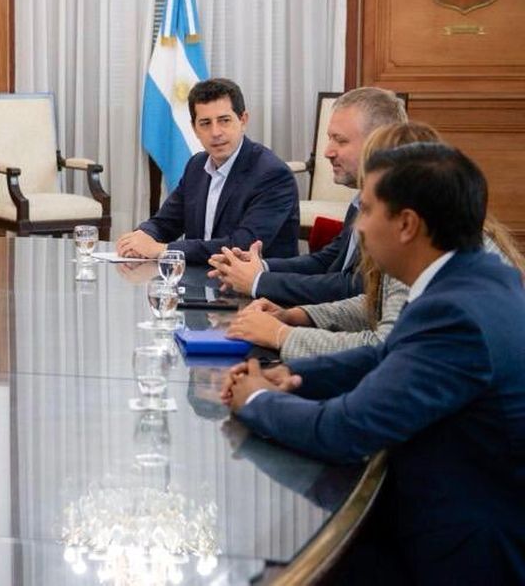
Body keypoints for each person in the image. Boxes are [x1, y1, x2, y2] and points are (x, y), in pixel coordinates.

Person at [222, 143, 525, 584]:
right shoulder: (480, 277)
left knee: (268, 566)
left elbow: (345, 430)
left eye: (365, 211)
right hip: (438, 512)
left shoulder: (456, 314)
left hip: (460, 551)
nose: (358, 228)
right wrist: (287, 374)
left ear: (406, 224)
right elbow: (386, 356)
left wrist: (257, 400)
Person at [226, 122, 525, 358]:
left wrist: (281, 337)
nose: (362, 221)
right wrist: (298, 315)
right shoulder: (429, 237)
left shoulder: (431, 250)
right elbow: (373, 304)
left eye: (368, 206)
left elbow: (384, 350)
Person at [208, 86, 407, 305]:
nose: (327, 152)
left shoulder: (396, 209)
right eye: (329, 138)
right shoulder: (361, 198)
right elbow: (328, 261)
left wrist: (259, 282)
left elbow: (355, 288)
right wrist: (260, 267)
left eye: (340, 141)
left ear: (378, 142)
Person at [116, 78, 299, 265]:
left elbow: (241, 245)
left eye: (224, 120)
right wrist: (141, 237)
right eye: (205, 123)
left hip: (258, 289)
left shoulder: (273, 175)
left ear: (243, 120)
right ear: (194, 129)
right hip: (200, 282)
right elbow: (165, 222)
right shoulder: (196, 166)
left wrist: (163, 250)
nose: (215, 132)